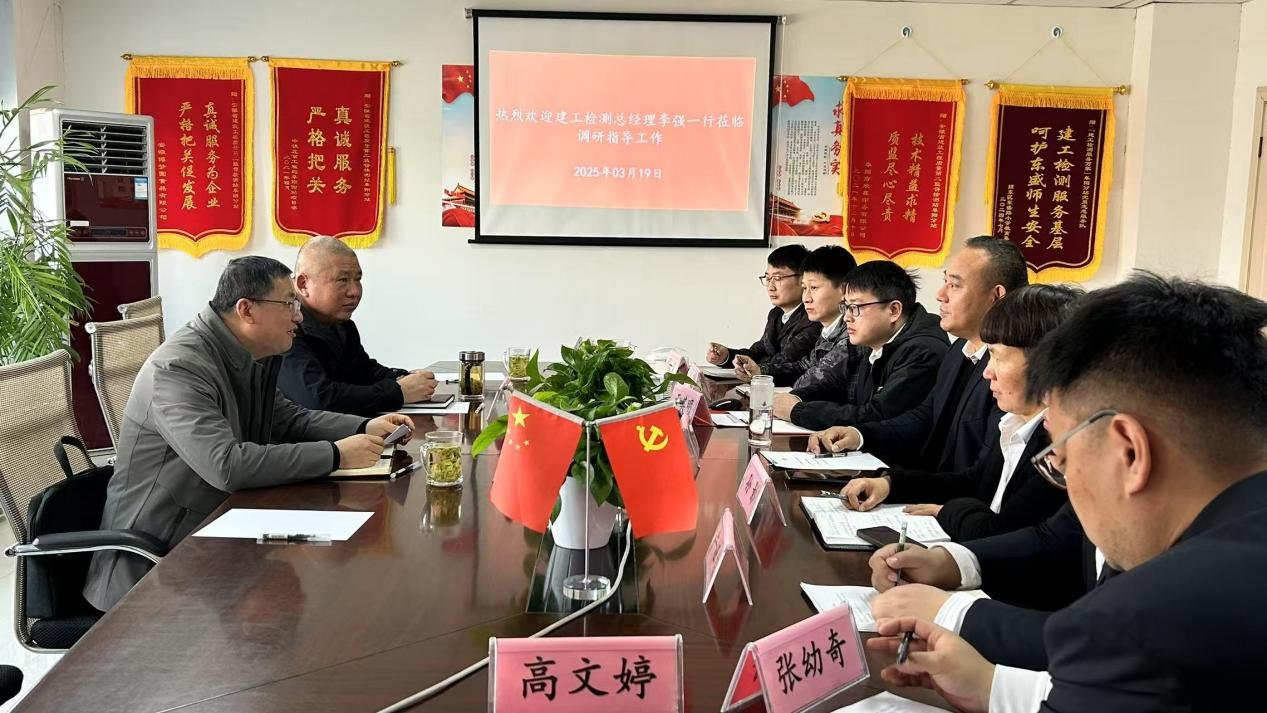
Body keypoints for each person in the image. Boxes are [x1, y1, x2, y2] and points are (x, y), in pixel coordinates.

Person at [866, 274, 1267, 713]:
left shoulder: (1151, 614)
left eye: (1061, 460)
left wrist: (953, 616)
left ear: (1129, 452)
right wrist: (989, 687)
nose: (1065, 483)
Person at [84, 256, 414, 612]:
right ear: (246, 310)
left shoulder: (250, 352)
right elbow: (226, 466)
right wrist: (336, 455)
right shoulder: (178, 368)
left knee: (344, 556)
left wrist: (362, 426)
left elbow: (289, 419)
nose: (299, 317)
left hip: (227, 527)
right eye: (289, 304)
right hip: (157, 565)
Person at [832, 285, 1080, 542]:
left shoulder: (1057, 445)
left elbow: (1000, 530)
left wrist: (947, 513)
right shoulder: (1013, 421)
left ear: (1047, 364)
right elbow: (974, 481)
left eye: (998, 357)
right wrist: (890, 484)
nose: (987, 372)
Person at [808, 236, 1027, 473]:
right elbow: (926, 416)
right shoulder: (959, 349)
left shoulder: (1012, 370)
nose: (940, 294)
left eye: (954, 285)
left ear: (997, 295)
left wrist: (893, 484)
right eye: (944, 281)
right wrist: (859, 435)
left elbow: (980, 476)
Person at [775, 259, 948, 430]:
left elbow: (876, 416)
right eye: (846, 307)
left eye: (855, 307)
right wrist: (795, 398)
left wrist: (797, 411)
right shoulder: (870, 341)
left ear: (894, 310)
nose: (846, 317)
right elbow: (834, 384)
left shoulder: (923, 352)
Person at [279, 236, 437, 417]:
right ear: (303, 284)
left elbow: (364, 372)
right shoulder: (286, 328)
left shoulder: (342, 326)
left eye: (358, 279)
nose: (355, 291)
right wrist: (397, 392)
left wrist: (404, 378)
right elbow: (318, 399)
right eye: (343, 280)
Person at [735, 245, 859, 394]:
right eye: (804, 288)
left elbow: (813, 379)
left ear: (844, 290)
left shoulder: (853, 333)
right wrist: (759, 371)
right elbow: (803, 366)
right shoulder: (828, 330)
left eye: (814, 288)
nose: (806, 298)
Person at [706, 244, 821, 386]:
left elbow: (785, 360)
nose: (770, 287)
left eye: (778, 278)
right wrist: (727, 356)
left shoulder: (813, 317)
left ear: (803, 279)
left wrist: (758, 365)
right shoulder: (776, 314)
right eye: (767, 278)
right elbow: (758, 351)